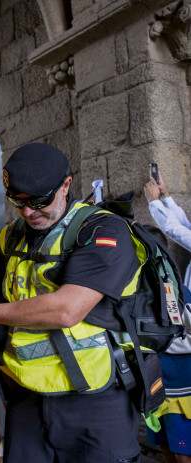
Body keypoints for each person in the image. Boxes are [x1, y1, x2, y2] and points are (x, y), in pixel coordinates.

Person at [0, 143, 144, 462]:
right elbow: (0, 298)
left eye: (39, 201)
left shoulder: (102, 230)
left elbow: (67, 309)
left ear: (67, 185)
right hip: (27, 397)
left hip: (95, 399)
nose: (29, 212)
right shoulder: (11, 237)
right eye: (18, 202)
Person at [144, 171, 191, 463]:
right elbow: (185, 227)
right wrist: (167, 198)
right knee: (166, 440)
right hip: (163, 372)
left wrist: (154, 203)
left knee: (182, 446)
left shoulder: (175, 291)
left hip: (181, 369)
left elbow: (176, 232)